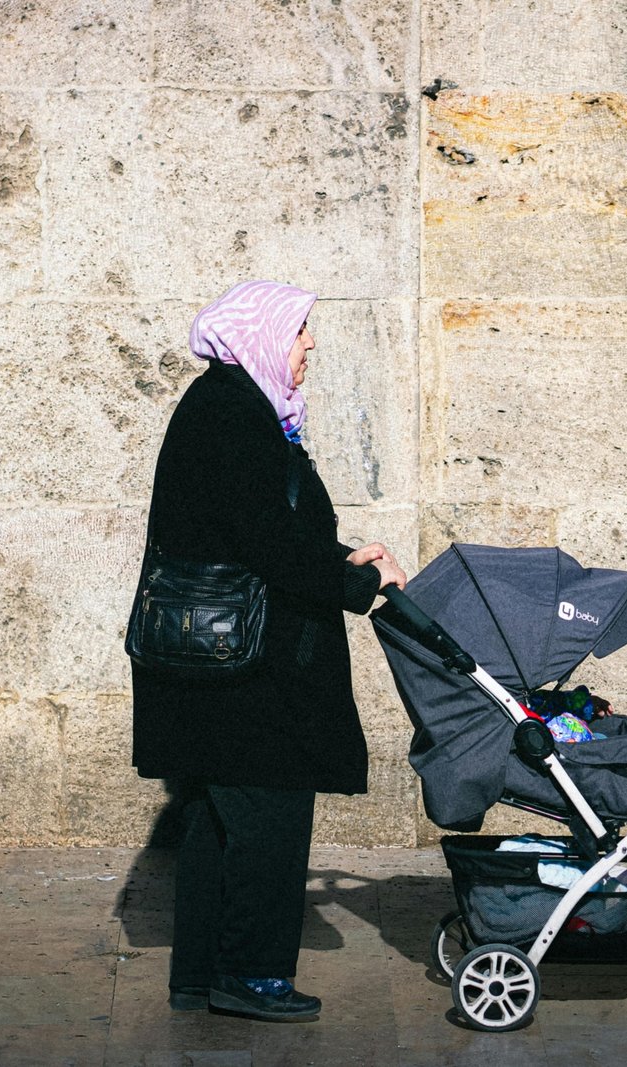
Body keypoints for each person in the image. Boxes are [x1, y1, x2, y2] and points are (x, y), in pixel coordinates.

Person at [131, 280, 406, 1023]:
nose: (310, 343)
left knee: (221, 818)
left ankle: (201, 973)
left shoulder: (231, 407)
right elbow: (267, 540)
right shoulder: (232, 416)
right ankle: (250, 973)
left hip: (226, 666)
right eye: (299, 331)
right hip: (245, 671)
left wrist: (345, 558)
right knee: (267, 814)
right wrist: (357, 581)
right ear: (260, 337)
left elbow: (257, 529)